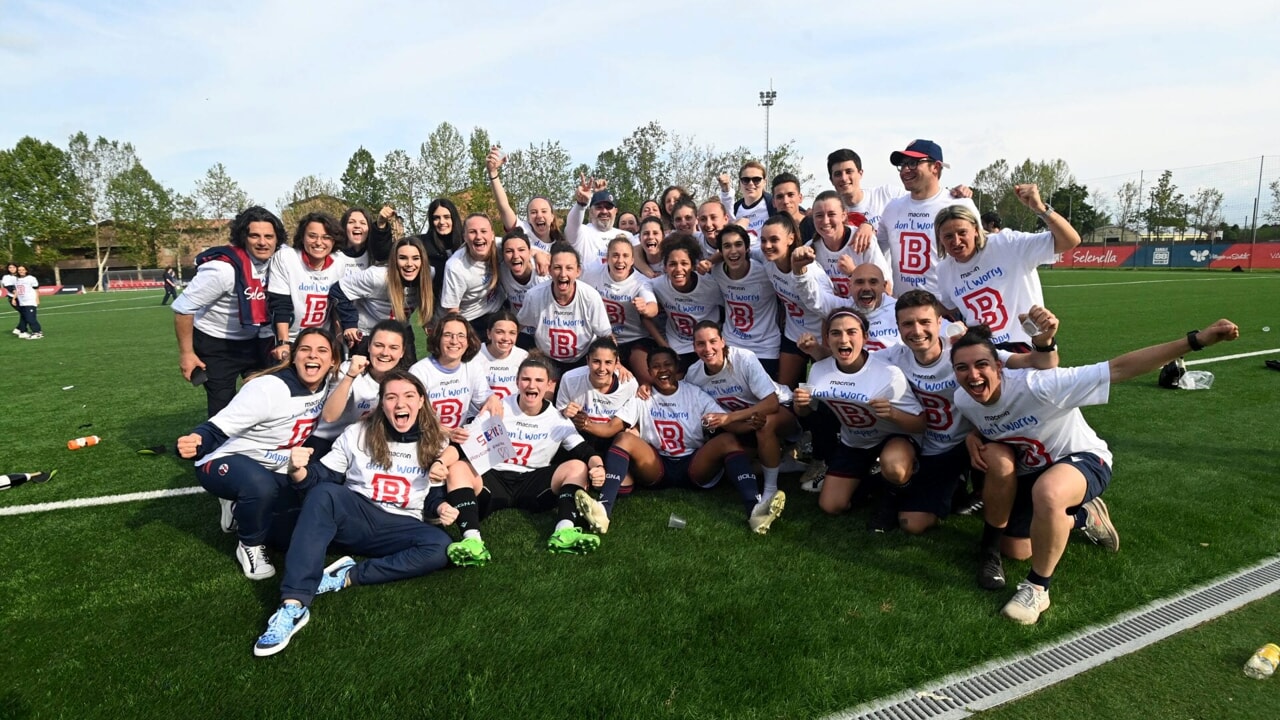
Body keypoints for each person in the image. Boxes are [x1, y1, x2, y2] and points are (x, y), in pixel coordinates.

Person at [951, 318, 1240, 624]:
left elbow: (1117, 369)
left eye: (982, 365)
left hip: (1082, 459)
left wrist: (1197, 340)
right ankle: (1085, 516)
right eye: (962, 368)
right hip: (1034, 470)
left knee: (1048, 494)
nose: (973, 375)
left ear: (999, 367)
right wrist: (973, 436)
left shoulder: (1040, 386)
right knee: (1018, 549)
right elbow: (983, 421)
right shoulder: (964, 399)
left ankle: (1037, 589)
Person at [253, 370, 460, 656]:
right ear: (382, 403)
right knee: (322, 497)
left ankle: (346, 575)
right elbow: (322, 477)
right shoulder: (358, 432)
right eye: (391, 397)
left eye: (409, 396)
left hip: (398, 526)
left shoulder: (437, 442)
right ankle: (294, 605)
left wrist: (441, 507)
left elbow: (431, 497)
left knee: (440, 546)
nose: (401, 404)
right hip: (355, 515)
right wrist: (298, 470)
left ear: (422, 401)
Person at [877, 291, 1059, 535]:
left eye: (925, 322)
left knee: (998, 458)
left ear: (940, 323)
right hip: (929, 447)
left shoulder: (964, 352)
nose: (917, 330)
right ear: (898, 326)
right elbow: (854, 362)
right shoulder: (894, 356)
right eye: (908, 324)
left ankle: (996, 523)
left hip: (968, 442)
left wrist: (1044, 340)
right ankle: (953, 489)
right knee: (912, 523)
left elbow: (1040, 363)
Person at [176, 327, 339, 581]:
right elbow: (218, 427)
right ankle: (249, 546)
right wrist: (197, 440)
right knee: (259, 487)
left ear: (333, 361)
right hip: (224, 459)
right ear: (293, 356)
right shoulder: (268, 390)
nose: (313, 356)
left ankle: (237, 507)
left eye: (322, 351)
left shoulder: (328, 382)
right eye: (305, 349)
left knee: (289, 527)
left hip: (273, 462)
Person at [442, 356, 609, 566]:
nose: (532, 385)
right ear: (517, 381)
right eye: (526, 379)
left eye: (539, 380)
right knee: (457, 467)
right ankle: (472, 541)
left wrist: (599, 467)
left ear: (549, 385)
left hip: (533, 483)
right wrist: (440, 463)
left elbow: (585, 451)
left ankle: (564, 531)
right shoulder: (499, 408)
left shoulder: (556, 418)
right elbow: (462, 444)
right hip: (495, 479)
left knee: (577, 466)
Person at [600, 347, 787, 534]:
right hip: (657, 464)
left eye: (667, 365)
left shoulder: (695, 394)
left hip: (694, 464)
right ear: (649, 373)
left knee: (728, 439)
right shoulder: (643, 396)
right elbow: (612, 428)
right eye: (656, 367)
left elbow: (730, 425)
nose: (662, 370)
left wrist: (754, 424)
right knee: (624, 438)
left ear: (677, 368)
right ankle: (603, 509)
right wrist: (583, 422)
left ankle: (754, 510)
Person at [792, 309, 925, 530]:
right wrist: (800, 405)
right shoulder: (818, 370)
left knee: (894, 465)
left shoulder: (889, 374)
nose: (843, 339)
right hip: (854, 441)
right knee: (831, 506)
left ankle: (891, 501)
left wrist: (892, 413)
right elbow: (806, 412)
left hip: (893, 438)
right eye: (836, 333)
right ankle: (877, 482)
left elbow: (921, 424)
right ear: (827, 339)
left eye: (851, 332)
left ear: (865, 337)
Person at [173, 206, 285, 417]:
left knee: (266, 397)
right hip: (217, 343)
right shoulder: (222, 270)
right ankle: (217, 448)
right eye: (255, 236)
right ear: (243, 237)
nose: (263, 242)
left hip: (256, 340)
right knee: (223, 407)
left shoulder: (280, 261)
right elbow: (182, 309)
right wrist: (187, 355)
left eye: (269, 236)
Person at [935, 187, 1082, 349]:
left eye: (962, 232)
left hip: (1030, 348)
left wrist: (1040, 208)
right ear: (940, 239)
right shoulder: (944, 270)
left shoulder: (1006, 244)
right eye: (948, 236)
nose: (956, 241)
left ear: (976, 230)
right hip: (983, 355)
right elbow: (948, 307)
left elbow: (1070, 241)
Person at [685, 322, 799, 502]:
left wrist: (730, 418)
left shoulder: (743, 358)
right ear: (693, 347)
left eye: (713, 341)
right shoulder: (693, 374)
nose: (707, 348)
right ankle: (781, 461)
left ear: (723, 341)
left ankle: (770, 490)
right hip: (744, 421)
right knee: (730, 466)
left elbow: (771, 403)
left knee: (765, 424)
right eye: (700, 344)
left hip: (782, 408)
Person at [759, 214, 853, 389]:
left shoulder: (811, 271)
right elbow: (742, 248)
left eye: (774, 240)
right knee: (784, 390)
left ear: (790, 239)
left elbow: (829, 310)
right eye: (763, 240)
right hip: (793, 334)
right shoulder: (767, 261)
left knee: (828, 392)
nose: (767, 246)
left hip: (820, 338)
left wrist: (824, 345)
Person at [876, 140, 979, 296]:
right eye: (902, 165)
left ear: (936, 167)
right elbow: (875, 250)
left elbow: (981, 254)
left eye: (912, 163)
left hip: (947, 309)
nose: (905, 170)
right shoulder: (892, 208)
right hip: (903, 309)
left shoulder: (960, 204)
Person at [310, 319, 411, 457]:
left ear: (402, 352)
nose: (385, 353)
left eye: (393, 348)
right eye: (379, 345)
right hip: (326, 440)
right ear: (369, 346)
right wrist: (350, 376)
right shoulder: (349, 369)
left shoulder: (405, 382)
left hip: (363, 444)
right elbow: (329, 416)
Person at [330, 236, 433, 362]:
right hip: (369, 334)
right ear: (394, 260)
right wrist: (349, 323)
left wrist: (429, 319)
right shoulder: (377, 277)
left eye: (416, 258)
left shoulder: (429, 274)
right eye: (402, 258)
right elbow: (337, 290)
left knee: (407, 378)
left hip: (400, 331)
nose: (409, 264)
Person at [517, 242, 612, 376]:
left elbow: (606, 335)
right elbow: (518, 326)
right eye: (557, 267)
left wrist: (618, 363)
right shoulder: (534, 295)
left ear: (578, 271)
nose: (563, 274)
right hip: (546, 359)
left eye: (569, 268)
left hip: (582, 360)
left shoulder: (591, 297)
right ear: (549, 270)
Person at [266, 212, 347, 360]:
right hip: (291, 338)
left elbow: (337, 305)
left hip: (320, 338)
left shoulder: (339, 263)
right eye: (312, 236)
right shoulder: (286, 258)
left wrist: (340, 337)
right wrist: (283, 343)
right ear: (302, 237)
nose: (318, 242)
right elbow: (280, 304)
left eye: (326, 237)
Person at [408, 312, 502, 437]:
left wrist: (492, 399)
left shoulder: (472, 366)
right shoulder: (419, 371)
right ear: (438, 338)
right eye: (448, 335)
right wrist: (447, 432)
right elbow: (412, 416)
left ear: (469, 341)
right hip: (426, 437)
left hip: (458, 437)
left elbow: (485, 399)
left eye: (461, 336)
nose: (454, 341)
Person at [586, 235, 662, 383]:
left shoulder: (640, 282)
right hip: (603, 338)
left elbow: (653, 307)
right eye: (615, 255)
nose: (620, 261)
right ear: (607, 258)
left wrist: (645, 308)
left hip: (634, 338)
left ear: (632, 260)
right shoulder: (592, 273)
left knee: (646, 377)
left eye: (625, 256)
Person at [711, 224, 781, 375]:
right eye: (727, 246)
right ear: (721, 252)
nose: (733, 251)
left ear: (748, 248)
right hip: (732, 344)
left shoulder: (765, 271)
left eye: (738, 244)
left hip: (765, 347)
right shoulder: (716, 272)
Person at [651, 233, 722, 369]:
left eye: (684, 263)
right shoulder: (658, 285)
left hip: (708, 346)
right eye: (672, 264)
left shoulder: (710, 285)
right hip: (678, 346)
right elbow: (644, 316)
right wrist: (664, 346)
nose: (678, 269)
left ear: (693, 266)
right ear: (664, 267)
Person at [809, 190, 892, 296]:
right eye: (819, 215)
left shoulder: (863, 240)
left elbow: (887, 289)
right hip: (832, 311)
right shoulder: (810, 250)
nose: (825, 221)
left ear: (843, 215)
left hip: (866, 311)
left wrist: (854, 273)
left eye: (831, 214)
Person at [487, 147, 564, 254]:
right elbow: (504, 207)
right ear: (528, 218)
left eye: (544, 211)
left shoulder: (561, 246)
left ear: (552, 217)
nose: (539, 215)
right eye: (533, 212)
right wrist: (493, 173)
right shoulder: (522, 230)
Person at [440, 213, 504, 339]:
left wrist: (539, 255)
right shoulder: (455, 266)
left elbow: (524, 247)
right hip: (472, 320)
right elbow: (452, 311)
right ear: (465, 236)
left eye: (483, 231)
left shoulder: (502, 246)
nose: (479, 237)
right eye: (472, 232)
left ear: (492, 235)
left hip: (500, 310)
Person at [565, 179, 619, 269]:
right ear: (591, 212)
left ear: (616, 211)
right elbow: (572, 224)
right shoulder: (582, 232)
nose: (604, 211)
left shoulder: (626, 236)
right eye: (599, 207)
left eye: (608, 207)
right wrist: (581, 204)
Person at [420, 198, 464, 306]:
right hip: (435, 307)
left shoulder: (466, 242)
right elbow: (384, 253)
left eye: (446, 217)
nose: (441, 222)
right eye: (436, 218)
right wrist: (382, 228)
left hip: (469, 306)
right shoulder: (422, 244)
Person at [478, 310, 528, 400]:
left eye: (512, 333)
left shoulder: (523, 357)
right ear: (489, 333)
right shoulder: (475, 354)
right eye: (499, 332)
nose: (506, 338)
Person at [848, 264, 899, 351]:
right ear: (850, 286)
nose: (866, 288)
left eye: (873, 282)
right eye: (860, 282)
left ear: (884, 286)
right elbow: (818, 300)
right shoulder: (843, 307)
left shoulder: (900, 310)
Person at [717, 161, 773, 237]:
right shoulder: (736, 208)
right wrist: (726, 190)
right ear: (740, 183)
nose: (751, 183)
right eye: (746, 180)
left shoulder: (772, 204)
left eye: (756, 179)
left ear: (764, 182)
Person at [339, 208, 375, 272]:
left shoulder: (374, 256)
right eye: (351, 222)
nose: (357, 226)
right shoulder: (333, 255)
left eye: (363, 223)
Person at [11, 265, 42, 339]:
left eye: (23, 270)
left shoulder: (31, 278)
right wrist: (13, 299)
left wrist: (37, 299)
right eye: (19, 270)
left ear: (26, 270)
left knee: (30, 318)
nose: (21, 271)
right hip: (22, 302)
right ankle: (23, 331)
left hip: (30, 301)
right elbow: (17, 290)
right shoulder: (17, 280)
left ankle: (37, 332)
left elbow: (36, 289)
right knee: (24, 318)